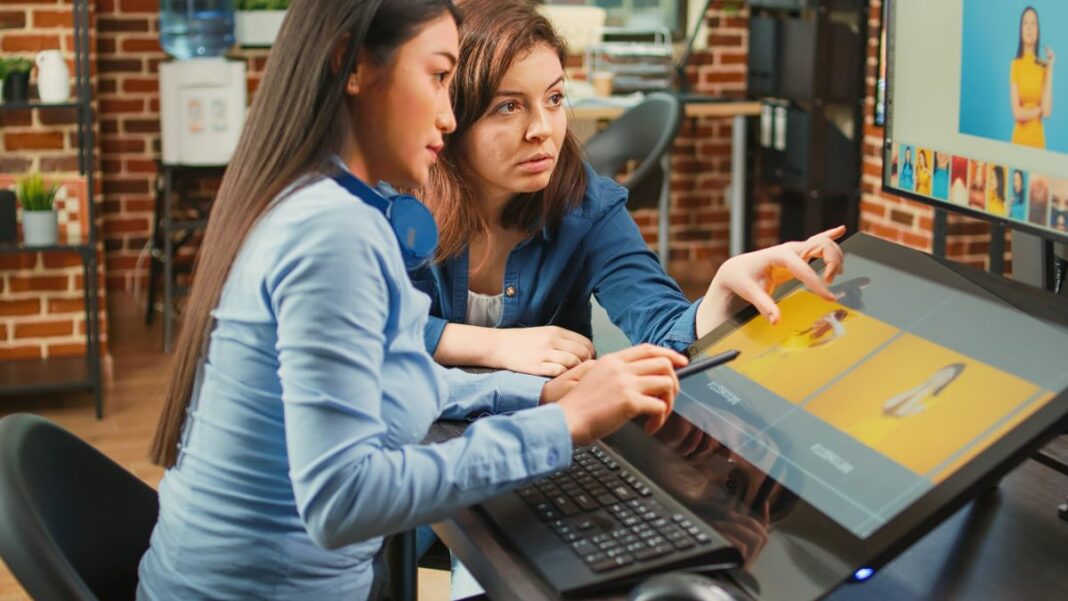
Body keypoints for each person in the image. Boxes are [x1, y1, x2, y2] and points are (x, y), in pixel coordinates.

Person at [135, 2, 689, 599]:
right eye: (439, 77)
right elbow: (343, 500)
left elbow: (386, 377)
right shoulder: (334, 233)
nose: (450, 116)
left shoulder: (324, 204)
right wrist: (562, 425)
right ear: (352, 69)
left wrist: (540, 393)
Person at [409, 0, 846, 379]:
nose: (543, 130)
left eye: (555, 99)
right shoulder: (398, 201)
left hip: (549, 440)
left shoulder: (587, 207)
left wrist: (719, 297)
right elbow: (362, 333)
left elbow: (663, 330)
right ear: (451, 116)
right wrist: (490, 346)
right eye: (508, 106)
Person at [847, 364, 966, 445]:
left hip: (873, 436)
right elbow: (887, 405)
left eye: (946, 376)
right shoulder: (913, 383)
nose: (940, 375)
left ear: (947, 382)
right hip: (860, 426)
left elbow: (900, 412)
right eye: (942, 371)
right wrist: (920, 387)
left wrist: (924, 390)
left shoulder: (932, 401)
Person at [1011, 6, 1055, 149]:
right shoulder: (1015, 64)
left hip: (1038, 140)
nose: (1029, 28)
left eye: (1033, 23)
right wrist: (1037, 110)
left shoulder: (1043, 66)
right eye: (1025, 23)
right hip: (1019, 138)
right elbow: (1017, 113)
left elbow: (1047, 111)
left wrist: (1051, 66)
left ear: (1038, 30)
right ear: (1020, 30)